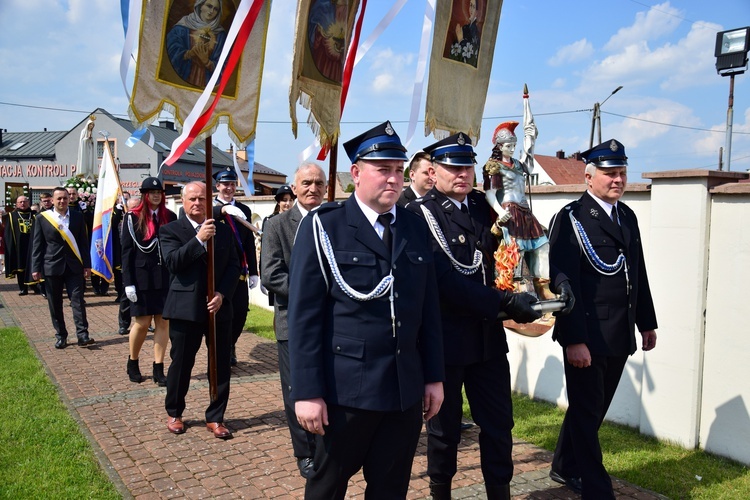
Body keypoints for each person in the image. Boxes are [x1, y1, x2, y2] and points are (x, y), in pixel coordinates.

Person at [288, 121, 445, 498]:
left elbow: (429, 310)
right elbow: (305, 317)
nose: (393, 179)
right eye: (383, 169)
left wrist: (433, 377)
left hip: (403, 390)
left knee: (391, 490)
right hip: (346, 392)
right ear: (356, 173)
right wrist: (307, 392)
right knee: (327, 488)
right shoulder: (324, 226)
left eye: (398, 170)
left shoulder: (415, 225)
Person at [407, 133, 545, 500]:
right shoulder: (419, 215)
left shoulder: (485, 208)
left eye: (467, 166)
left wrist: (551, 279)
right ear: (434, 171)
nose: (462, 174)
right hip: (445, 341)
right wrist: (505, 302)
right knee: (444, 431)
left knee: (499, 424)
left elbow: (519, 246)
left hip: (486, 341)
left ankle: (499, 492)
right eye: (453, 167)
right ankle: (441, 493)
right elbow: (445, 282)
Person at [547, 139, 658, 499]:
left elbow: (637, 274)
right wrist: (573, 339)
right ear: (589, 176)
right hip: (588, 333)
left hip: (619, 331)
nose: (618, 180)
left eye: (622, 172)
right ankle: (596, 487)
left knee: (593, 410)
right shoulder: (571, 218)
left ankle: (564, 465)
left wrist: (646, 322)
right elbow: (564, 283)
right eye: (610, 173)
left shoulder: (626, 216)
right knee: (585, 410)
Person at [259, 162, 325, 479]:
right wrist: (312, 296)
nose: (313, 188)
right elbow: (271, 274)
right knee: (296, 390)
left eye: (319, 184)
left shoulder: (335, 221)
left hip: (333, 322)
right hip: (292, 322)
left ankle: (327, 445)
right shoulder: (278, 225)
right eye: (307, 183)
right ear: (295, 187)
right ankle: (305, 452)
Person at [160, 181, 240, 439]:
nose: (197, 203)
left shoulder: (225, 231)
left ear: (210, 202)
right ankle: (175, 411)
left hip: (217, 308)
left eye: (202, 199)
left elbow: (234, 266)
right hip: (185, 308)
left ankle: (216, 416)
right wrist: (198, 239)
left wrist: (222, 294)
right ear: (183, 203)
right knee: (182, 363)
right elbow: (173, 263)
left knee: (219, 365)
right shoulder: (171, 230)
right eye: (192, 199)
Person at [484, 120, 552, 298]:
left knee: (542, 246)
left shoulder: (519, 165)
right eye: (508, 145)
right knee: (516, 251)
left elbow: (529, 153)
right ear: (500, 146)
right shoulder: (494, 166)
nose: (512, 149)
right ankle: (514, 288)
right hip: (510, 212)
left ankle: (543, 287)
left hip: (525, 211)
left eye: (514, 145)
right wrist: (500, 212)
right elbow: (490, 194)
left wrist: (530, 136)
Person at [122, 178, 177, 386]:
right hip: (141, 278)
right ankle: (133, 361)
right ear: (144, 195)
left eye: (159, 192)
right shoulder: (132, 218)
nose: (156, 195)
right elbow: (126, 253)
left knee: (163, 322)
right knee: (142, 323)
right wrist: (128, 283)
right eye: (151, 192)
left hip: (164, 277)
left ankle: (158, 367)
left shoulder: (169, 217)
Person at [30, 187, 94, 349]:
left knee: (78, 301)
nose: (62, 201)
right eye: (58, 198)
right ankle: (61, 335)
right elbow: (37, 245)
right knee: (55, 303)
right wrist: (35, 267)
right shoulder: (42, 218)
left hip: (74, 267)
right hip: (52, 266)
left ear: (69, 199)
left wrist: (87, 265)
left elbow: (83, 243)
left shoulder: (78, 217)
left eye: (65, 198)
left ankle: (82, 334)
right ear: (52, 200)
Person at [211, 167, 260, 366]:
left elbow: (248, 242)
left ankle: (231, 344)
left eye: (232, 184)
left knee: (239, 315)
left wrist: (254, 272)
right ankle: (221, 352)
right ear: (217, 186)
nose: (229, 188)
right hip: (218, 273)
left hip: (239, 272)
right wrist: (221, 211)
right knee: (221, 316)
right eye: (225, 184)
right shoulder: (210, 207)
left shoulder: (244, 210)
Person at [166, 0, 227, 88]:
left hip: (206, 84)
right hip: (183, 77)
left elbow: (226, 64)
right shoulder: (182, 26)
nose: (211, 11)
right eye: (209, 6)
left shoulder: (221, 36)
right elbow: (171, 49)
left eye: (216, 9)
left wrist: (207, 62)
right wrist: (188, 54)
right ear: (201, 6)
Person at [113, 195, 138, 336]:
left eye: (137, 207)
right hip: (127, 261)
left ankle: (146, 321)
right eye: (132, 207)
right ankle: (123, 323)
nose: (135, 210)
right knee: (125, 296)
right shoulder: (123, 220)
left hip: (142, 263)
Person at [4, 195, 36, 295]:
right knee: (21, 268)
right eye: (20, 202)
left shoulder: (35, 215)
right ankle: (23, 288)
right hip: (19, 247)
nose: (23, 203)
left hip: (33, 245)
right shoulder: (11, 216)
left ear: (28, 203)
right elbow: (8, 233)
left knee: (34, 266)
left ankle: (35, 286)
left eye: (25, 201)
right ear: (17, 204)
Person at [77, 117, 97, 181]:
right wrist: (86, 139)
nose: (91, 126)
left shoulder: (93, 132)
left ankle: (90, 174)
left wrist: (92, 140)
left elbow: (95, 142)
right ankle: (84, 175)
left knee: (90, 161)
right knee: (85, 161)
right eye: (90, 124)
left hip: (91, 148)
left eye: (92, 125)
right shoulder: (83, 131)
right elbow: (81, 141)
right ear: (88, 125)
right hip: (85, 149)